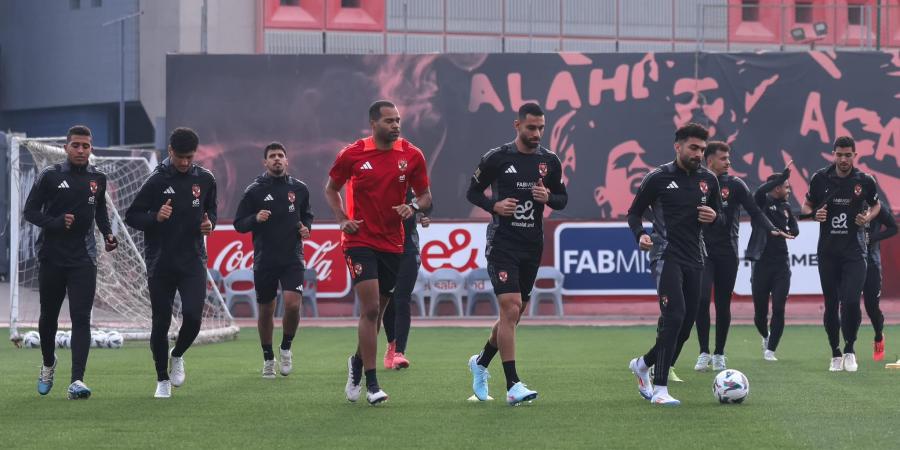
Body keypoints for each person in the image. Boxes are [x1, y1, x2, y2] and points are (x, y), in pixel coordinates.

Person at [325, 100, 431, 405]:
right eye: (389, 121)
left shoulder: (412, 155)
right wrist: (343, 219)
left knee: (379, 311)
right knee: (370, 309)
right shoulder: (353, 153)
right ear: (373, 124)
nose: (396, 125)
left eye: (398, 120)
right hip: (360, 241)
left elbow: (425, 196)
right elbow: (331, 188)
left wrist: (411, 207)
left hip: (393, 244)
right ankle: (372, 383)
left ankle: (357, 362)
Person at [465, 102, 568, 406]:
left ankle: (481, 362)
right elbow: (472, 192)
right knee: (509, 308)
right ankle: (513, 385)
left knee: (515, 313)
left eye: (541, 128)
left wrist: (548, 196)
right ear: (517, 125)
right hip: (503, 243)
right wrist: (493, 206)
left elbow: (562, 198)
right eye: (531, 127)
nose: (537, 133)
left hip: (532, 245)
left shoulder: (549, 161)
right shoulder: (497, 158)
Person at [626, 122, 722, 406]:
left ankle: (642, 364)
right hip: (665, 256)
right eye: (694, 148)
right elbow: (634, 213)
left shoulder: (709, 180)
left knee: (685, 327)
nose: (699, 154)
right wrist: (640, 234)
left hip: (696, 258)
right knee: (674, 316)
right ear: (677, 146)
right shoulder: (657, 178)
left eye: (703, 149)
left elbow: (722, 218)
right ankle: (660, 389)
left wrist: (714, 217)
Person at [24, 125, 118, 399]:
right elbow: (29, 211)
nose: (80, 150)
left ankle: (77, 380)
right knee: (48, 318)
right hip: (52, 257)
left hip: (84, 258)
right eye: (75, 145)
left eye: (85, 146)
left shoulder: (97, 178)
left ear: (91, 149)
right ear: (66, 147)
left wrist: (108, 233)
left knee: (81, 317)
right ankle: (49, 363)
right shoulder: (50, 176)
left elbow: (99, 210)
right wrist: (55, 222)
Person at [125, 127, 217, 397]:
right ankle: (162, 379)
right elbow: (132, 216)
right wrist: (155, 217)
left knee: (193, 317)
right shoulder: (155, 181)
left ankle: (177, 354)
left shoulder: (206, 179)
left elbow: (211, 209)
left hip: (192, 261)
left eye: (190, 157)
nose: (185, 163)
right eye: (180, 157)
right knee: (161, 321)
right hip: (160, 262)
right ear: (170, 152)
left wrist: (209, 222)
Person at [690, 141, 781, 372]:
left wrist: (771, 227)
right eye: (723, 159)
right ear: (709, 160)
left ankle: (719, 353)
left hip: (727, 252)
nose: (729, 162)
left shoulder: (736, 185)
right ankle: (703, 351)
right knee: (701, 300)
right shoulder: (694, 181)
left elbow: (755, 211)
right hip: (701, 250)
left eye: (729, 158)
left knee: (722, 303)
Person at [801, 136, 881, 372]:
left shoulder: (865, 180)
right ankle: (835, 352)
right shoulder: (819, 178)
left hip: (855, 252)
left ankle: (850, 350)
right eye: (839, 154)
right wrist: (815, 214)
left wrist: (867, 217)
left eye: (848, 155)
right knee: (831, 303)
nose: (843, 159)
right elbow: (806, 206)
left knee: (851, 302)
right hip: (828, 252)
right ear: (833, 154)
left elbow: (876, 205)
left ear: (855, 155)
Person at [233, 142, 313, 378]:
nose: (277, 159)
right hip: (265, 259)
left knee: (291, 304)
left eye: (280, 156)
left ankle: (286, 347)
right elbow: (239, 224)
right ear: (265, 162)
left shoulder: (299, 189)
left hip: (292, 258)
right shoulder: (254, 190)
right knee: (266, 310)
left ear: (287, 161)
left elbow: (307, 214)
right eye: (272, 156)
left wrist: (306, 228)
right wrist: (255, 218)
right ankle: (268, 357)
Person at [746, 169, 798, 361]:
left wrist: (789, 231)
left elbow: (795, 229)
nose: (789, 190)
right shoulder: (761, 203)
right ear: (776, 188)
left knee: (779, 308)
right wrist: (783, 175)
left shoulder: (786, 207)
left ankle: (771, 350)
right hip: (761, 263)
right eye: (786, 186)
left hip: (781, 265)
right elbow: (759, 192)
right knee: (760, 314)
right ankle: (766, 337)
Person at [381, 188, 432, 370]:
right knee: (387, 301)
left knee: (402, 299)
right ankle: (391, 344)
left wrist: (422, 214)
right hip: (384, 249)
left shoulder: (410, 184)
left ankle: (399, 353)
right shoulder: (380, 182)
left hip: (408, 250)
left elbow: (427, 202)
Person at [862, 204, 896, 361]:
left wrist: (872, 238)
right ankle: (849, 350)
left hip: (871, 263)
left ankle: (878, 336)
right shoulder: (847, 200)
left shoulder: (877, 207)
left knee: (871, 307)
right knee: (849, 304)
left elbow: (893, 228)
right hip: (848, 261)